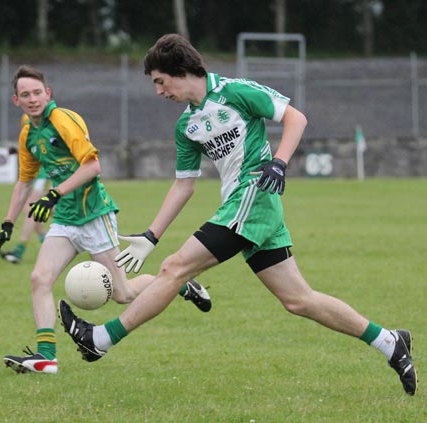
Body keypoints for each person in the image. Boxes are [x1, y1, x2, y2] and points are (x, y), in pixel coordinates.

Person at [58, 34, 417, 395]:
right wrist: (151, 235)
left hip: (255, 195)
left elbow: (296, 119)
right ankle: (389, 341)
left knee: (174, 269)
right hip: (243, 207)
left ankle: (100, 339)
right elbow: (184, 185)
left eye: (159, 81)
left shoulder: (236, 92)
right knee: (298, 300)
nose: (158, 92)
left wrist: (278, 162)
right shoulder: (186, 126)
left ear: (180, 70)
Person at [0, 64, 211, 375]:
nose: (32, 99)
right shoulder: (29, 133)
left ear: (47, 93)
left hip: (95, 216)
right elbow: (24, 182)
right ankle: (46, 356)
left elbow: (93, 167)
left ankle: (182, 284)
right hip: (66, 220)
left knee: (123, 294)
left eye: (37, 92)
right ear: (17, 101)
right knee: (39, 279)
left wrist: (54, 194)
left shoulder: (62, 121)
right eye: (25, 95)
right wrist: (7, 225)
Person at [1, 164, 51, 264]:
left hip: (46, 173)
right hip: (41, 172)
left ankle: (20, 249)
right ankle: (47, 244)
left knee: (31, 207)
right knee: (33, 209)